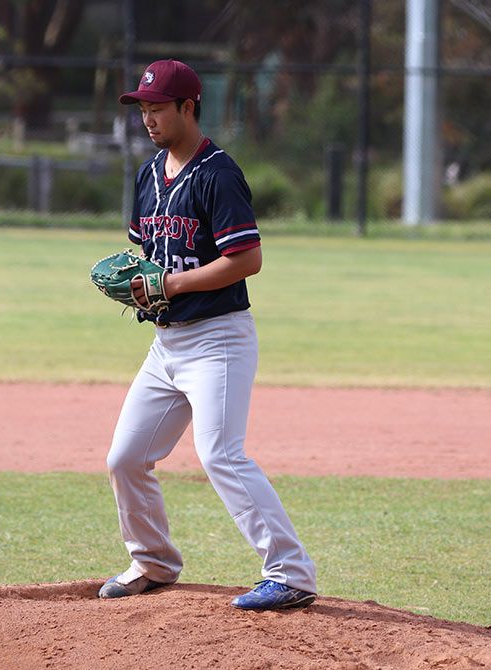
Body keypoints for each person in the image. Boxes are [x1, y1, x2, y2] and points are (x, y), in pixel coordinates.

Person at [99, 59, 317, 611]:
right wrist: (142, 281)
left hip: (218, 339)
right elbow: (146, 254)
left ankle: (290, 572)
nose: (147, 118)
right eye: (142, 108)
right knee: (125, 457)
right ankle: (152, 561)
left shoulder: (218, 173)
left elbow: (246, 260)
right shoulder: (148, 176)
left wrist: (168, 282)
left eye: (157, 108)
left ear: (188, 107)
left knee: (220, 454)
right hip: (166, 345)